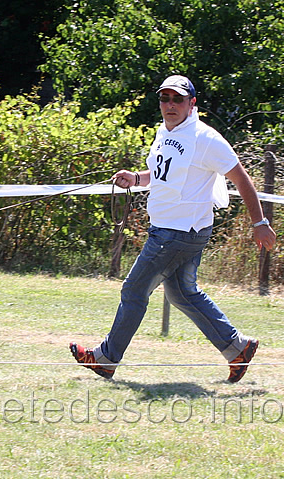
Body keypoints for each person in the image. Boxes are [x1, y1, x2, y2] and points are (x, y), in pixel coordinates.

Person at [70, 75, 276, 383]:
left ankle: (106, 358)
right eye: (164, 98)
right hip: (173, 230)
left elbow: (242, 178)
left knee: (134, 290)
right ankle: (237, 348)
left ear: (192, 103)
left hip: (177, 233)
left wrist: (260, 223)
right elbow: (162, 174)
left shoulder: (205, 138)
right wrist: (136, 179)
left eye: (177, 99)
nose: (169, 105)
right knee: (182, 293)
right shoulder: (165, 132)